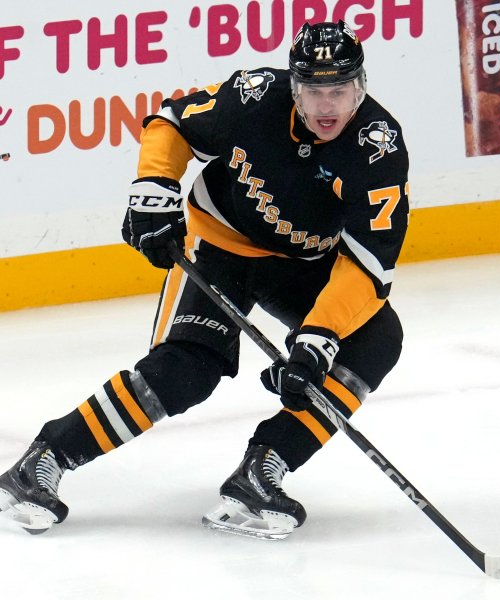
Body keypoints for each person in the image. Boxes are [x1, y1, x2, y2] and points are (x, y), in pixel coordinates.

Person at [0, 20, 409, 539]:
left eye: (339, 90)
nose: (327, 106)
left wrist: (318, 337)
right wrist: (154, 186)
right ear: (293, 86)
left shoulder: (378, 146)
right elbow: (171, 123)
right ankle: (45, 459)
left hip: (301, 265)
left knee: (374, 338)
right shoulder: (255, 96)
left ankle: (263, 470)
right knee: (183, 372)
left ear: (361, 86)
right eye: (313, 90)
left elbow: (368, 261)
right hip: (216, 246)